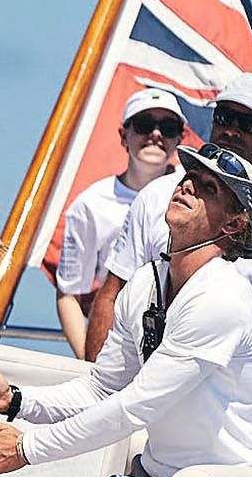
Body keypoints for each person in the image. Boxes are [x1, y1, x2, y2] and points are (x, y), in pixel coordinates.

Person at [0, 144, 252, 477]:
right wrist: (19, 402)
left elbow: (133, 406)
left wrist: (25, 448)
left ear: (232, 223)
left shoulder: (221, 299)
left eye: (207, 189)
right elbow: (102, 387)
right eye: (188, 177)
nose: (186, 186)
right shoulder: (144, 285)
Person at [83, 73, 252, 465]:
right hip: (145, 402)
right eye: (224, 117)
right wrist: (99, 395)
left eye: (251, 124)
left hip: (230, 416)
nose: (232, 131)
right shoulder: (159, 197)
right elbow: (112, 294)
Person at [45, 86, 184, 355]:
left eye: (167, 127)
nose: (156, 135)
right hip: (116, 349)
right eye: (144, 125)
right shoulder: (89, 206)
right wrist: (90, 365)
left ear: (180, 138)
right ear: (124, 135)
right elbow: (69, 293)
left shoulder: (198, 197)